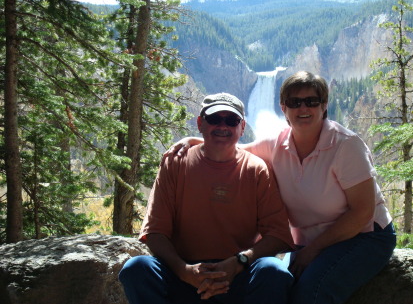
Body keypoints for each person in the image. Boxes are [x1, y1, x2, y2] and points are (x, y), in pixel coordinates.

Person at [167, 71, 397, 304]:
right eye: (294, 102)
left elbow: (362, 212)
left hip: (364, 236)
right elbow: (235, 149)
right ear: (283, 108)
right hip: (307, 242)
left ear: (324, 105)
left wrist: (312, 251)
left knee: (311, 294)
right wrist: (192, 141)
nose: (303, 108)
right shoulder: (277, 144)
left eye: (311, 101)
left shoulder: (345, 146)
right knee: (279, 283)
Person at [119, 92, 295, 304]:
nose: (223, 126)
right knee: (137, 269)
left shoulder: (256, 169)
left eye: (231, 120)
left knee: (272, 271)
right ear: (200, 123)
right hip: (183, 275)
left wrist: (239, 262)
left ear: (242, 127)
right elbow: (155, 232)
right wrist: (185, 271)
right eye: (214, 119)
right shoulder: (175, 163)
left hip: (237, 276)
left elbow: (278, 235)